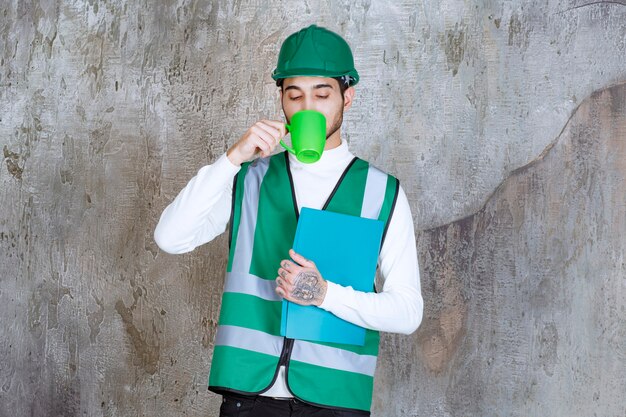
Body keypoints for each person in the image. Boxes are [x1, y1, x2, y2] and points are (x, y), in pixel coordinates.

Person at [154, 24, 423, 417]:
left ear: (348, 97)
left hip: (335, 400)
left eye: (322, 94)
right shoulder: (248, 178)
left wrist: (325, 294)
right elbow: (170, 237)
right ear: (281, 99)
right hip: (248, 396)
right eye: (295, 95)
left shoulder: (382, 193)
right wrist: (232, 158)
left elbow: (408, 312)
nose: (307, 108)